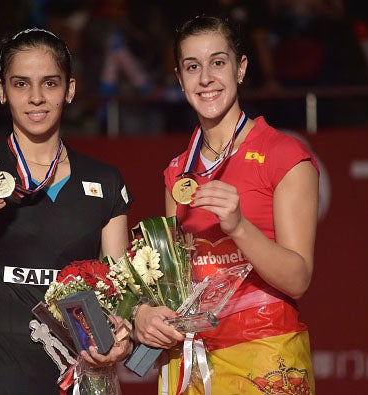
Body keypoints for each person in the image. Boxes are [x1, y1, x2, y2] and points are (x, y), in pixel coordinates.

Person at [0, 27, 134, 395]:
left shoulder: (104, 181)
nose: (36, 98)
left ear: (69, 89)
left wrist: (122, 338)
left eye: (50, 83)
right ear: (2, 90)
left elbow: (119, 300)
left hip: (81, 383)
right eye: (21, 84)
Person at [132, 15, 319, 394]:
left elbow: (298, 279)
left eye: (218, 62)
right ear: (180, 78)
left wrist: (239, 227)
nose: (205, 78)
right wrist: (145, 313)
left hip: (265, 355)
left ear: (241, 68)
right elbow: (175, 283)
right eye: (192, 67)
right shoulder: (176, 173)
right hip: (190, 360)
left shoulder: (285, 155)